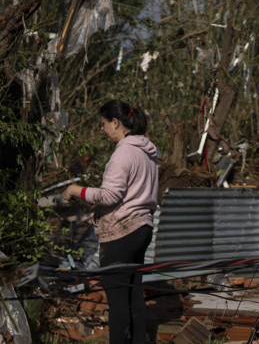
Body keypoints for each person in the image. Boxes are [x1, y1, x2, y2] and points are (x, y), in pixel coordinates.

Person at [64, 99, 159, 344]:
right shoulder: (147, 152)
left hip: (121, 231)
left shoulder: (123, 152)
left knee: (117, 300)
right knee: (134, 294)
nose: (102, 129)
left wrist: (76, 190)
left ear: (115, 123)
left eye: (103, 124)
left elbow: (109, 196)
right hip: (142, 228)